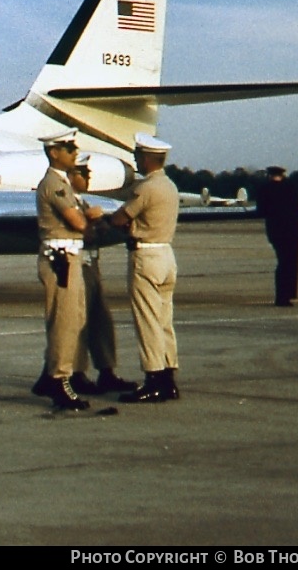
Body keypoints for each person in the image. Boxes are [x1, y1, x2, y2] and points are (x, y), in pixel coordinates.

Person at [32, 128, 103, 410]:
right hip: (60, 259)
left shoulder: (65, 184)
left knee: (72, 318)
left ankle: (50, 374)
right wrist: (91, 216)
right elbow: (77, 223)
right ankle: (58, 378)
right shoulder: (55, 184)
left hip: (68, 256)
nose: (75, 153)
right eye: (69, 148)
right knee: (64, 321)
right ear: (54, 152)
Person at [108, 132, 181, 404]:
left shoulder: (145, 188)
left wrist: (109, 220)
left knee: (148, 321)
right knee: (164, 320)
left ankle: (153, 379)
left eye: (138, 155)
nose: (136, 159)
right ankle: (168, 378)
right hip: (166, 255)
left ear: (148, 158)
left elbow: (120, 217)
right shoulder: (170, 186)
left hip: (146, 257)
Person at [67, 155, 138, 394]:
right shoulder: (67, 201)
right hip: (76, 264)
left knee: (100, 317)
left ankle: (106, 370)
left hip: (90, 264)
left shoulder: (82, 202)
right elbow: (80, 232)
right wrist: (92, 222)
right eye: (83, 173)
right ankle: (76, 373)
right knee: (79, 319)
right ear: (70, 175)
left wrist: (104, 225)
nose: (88, 177)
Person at [255, 166, 298, 307]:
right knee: (291, 263)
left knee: (282, 262)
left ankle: (281, 297)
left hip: (276, 230)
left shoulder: (264, 188)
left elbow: (261, 211)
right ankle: (289, 295)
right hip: (292, 230)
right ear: (282, 174)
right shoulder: (289, 187)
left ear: (270, 175)